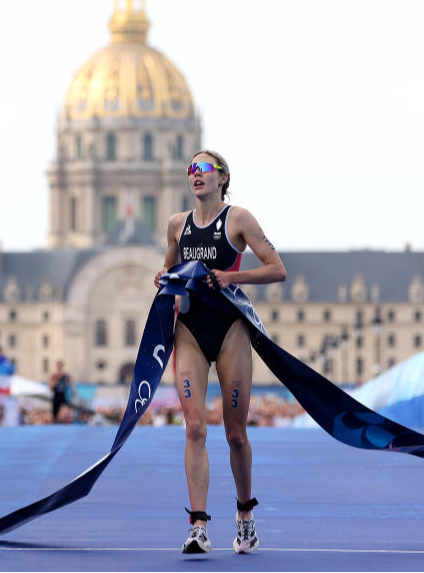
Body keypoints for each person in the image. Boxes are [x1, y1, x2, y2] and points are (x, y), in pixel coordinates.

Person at [153, 149, 286, 555]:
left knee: (235, 433)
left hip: (230, 332)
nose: (196, 175)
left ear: (222, 177)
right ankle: (198, 526)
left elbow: (277, 269)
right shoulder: (178, 225)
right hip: (190, 332)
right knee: (194, 428)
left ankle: (245, 516)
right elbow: (169, 276)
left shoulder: (239, 219)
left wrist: (233, 276)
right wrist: (162, 277)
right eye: (191, 169)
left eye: (204, 169)